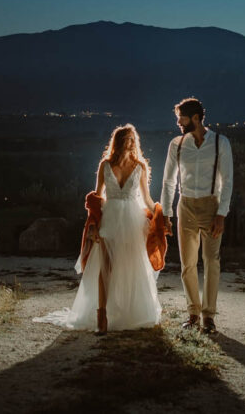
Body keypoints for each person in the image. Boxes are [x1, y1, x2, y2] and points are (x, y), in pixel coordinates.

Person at [37, 124, 163, 334]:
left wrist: (160, 214)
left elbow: (147, 199)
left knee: (132, 266)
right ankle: (101, 316)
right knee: (106, 266)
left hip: (133, 221)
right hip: (110, 218)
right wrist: (94, 224)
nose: (129, 143)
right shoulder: (105, 165)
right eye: (126, 139)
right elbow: (97, 197)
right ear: (118, 142)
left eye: (132, 139)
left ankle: (129, 311)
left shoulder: (140, 167)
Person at [161, 97, 233, 334]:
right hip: (185, 206)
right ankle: (193, 313)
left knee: (212, 261)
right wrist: (166, 214)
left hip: (211, 205)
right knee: (187, 264)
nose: (178, 123)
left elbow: (227, 181)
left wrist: (221, 214)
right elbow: (169, 181)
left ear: (195, 118)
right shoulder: (177, 144)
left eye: (181, 118)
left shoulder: (220, 143)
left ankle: (208, 317)